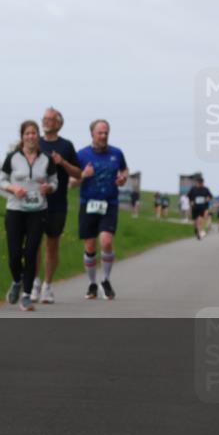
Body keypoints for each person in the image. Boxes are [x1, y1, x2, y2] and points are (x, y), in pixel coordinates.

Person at [0, 121, 58, 311]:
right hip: (15, 210)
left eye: (34, 133)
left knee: (31, 252)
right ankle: (17, 281)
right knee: (15, 254)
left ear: (38, 136)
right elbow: (1, 180)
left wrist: (49, 187)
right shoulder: (12, 157)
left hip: (38, 211)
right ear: (22, 136)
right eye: (27, 133)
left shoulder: (46, 159)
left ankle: (26, 295)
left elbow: (54, 182)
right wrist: (13, 188)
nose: (31, 136)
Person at [75, 119, 128, 300]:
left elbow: (125, 170)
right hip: (88, 204)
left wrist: (123, 178)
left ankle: (105, 280)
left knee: (105, 242)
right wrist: (83, 175)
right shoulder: (82, 155)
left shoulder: (117, 153)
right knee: (90, 246)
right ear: (92, 134)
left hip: (109, 204)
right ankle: (92, 284)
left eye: (106, 133)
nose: (104, 136)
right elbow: (72, 182)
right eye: (100, 133)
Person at [34, 107, 82, 304]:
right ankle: (34, 283)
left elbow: (78, 174)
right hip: (34, 203)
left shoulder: (66, 146)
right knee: (33, 244)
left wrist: (62, 162)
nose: (46, 122)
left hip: (57, 203)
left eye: (51, 119)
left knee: (52, 245)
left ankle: (47, 285)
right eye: (44, 118)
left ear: (59, 123)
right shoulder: (34, 142)